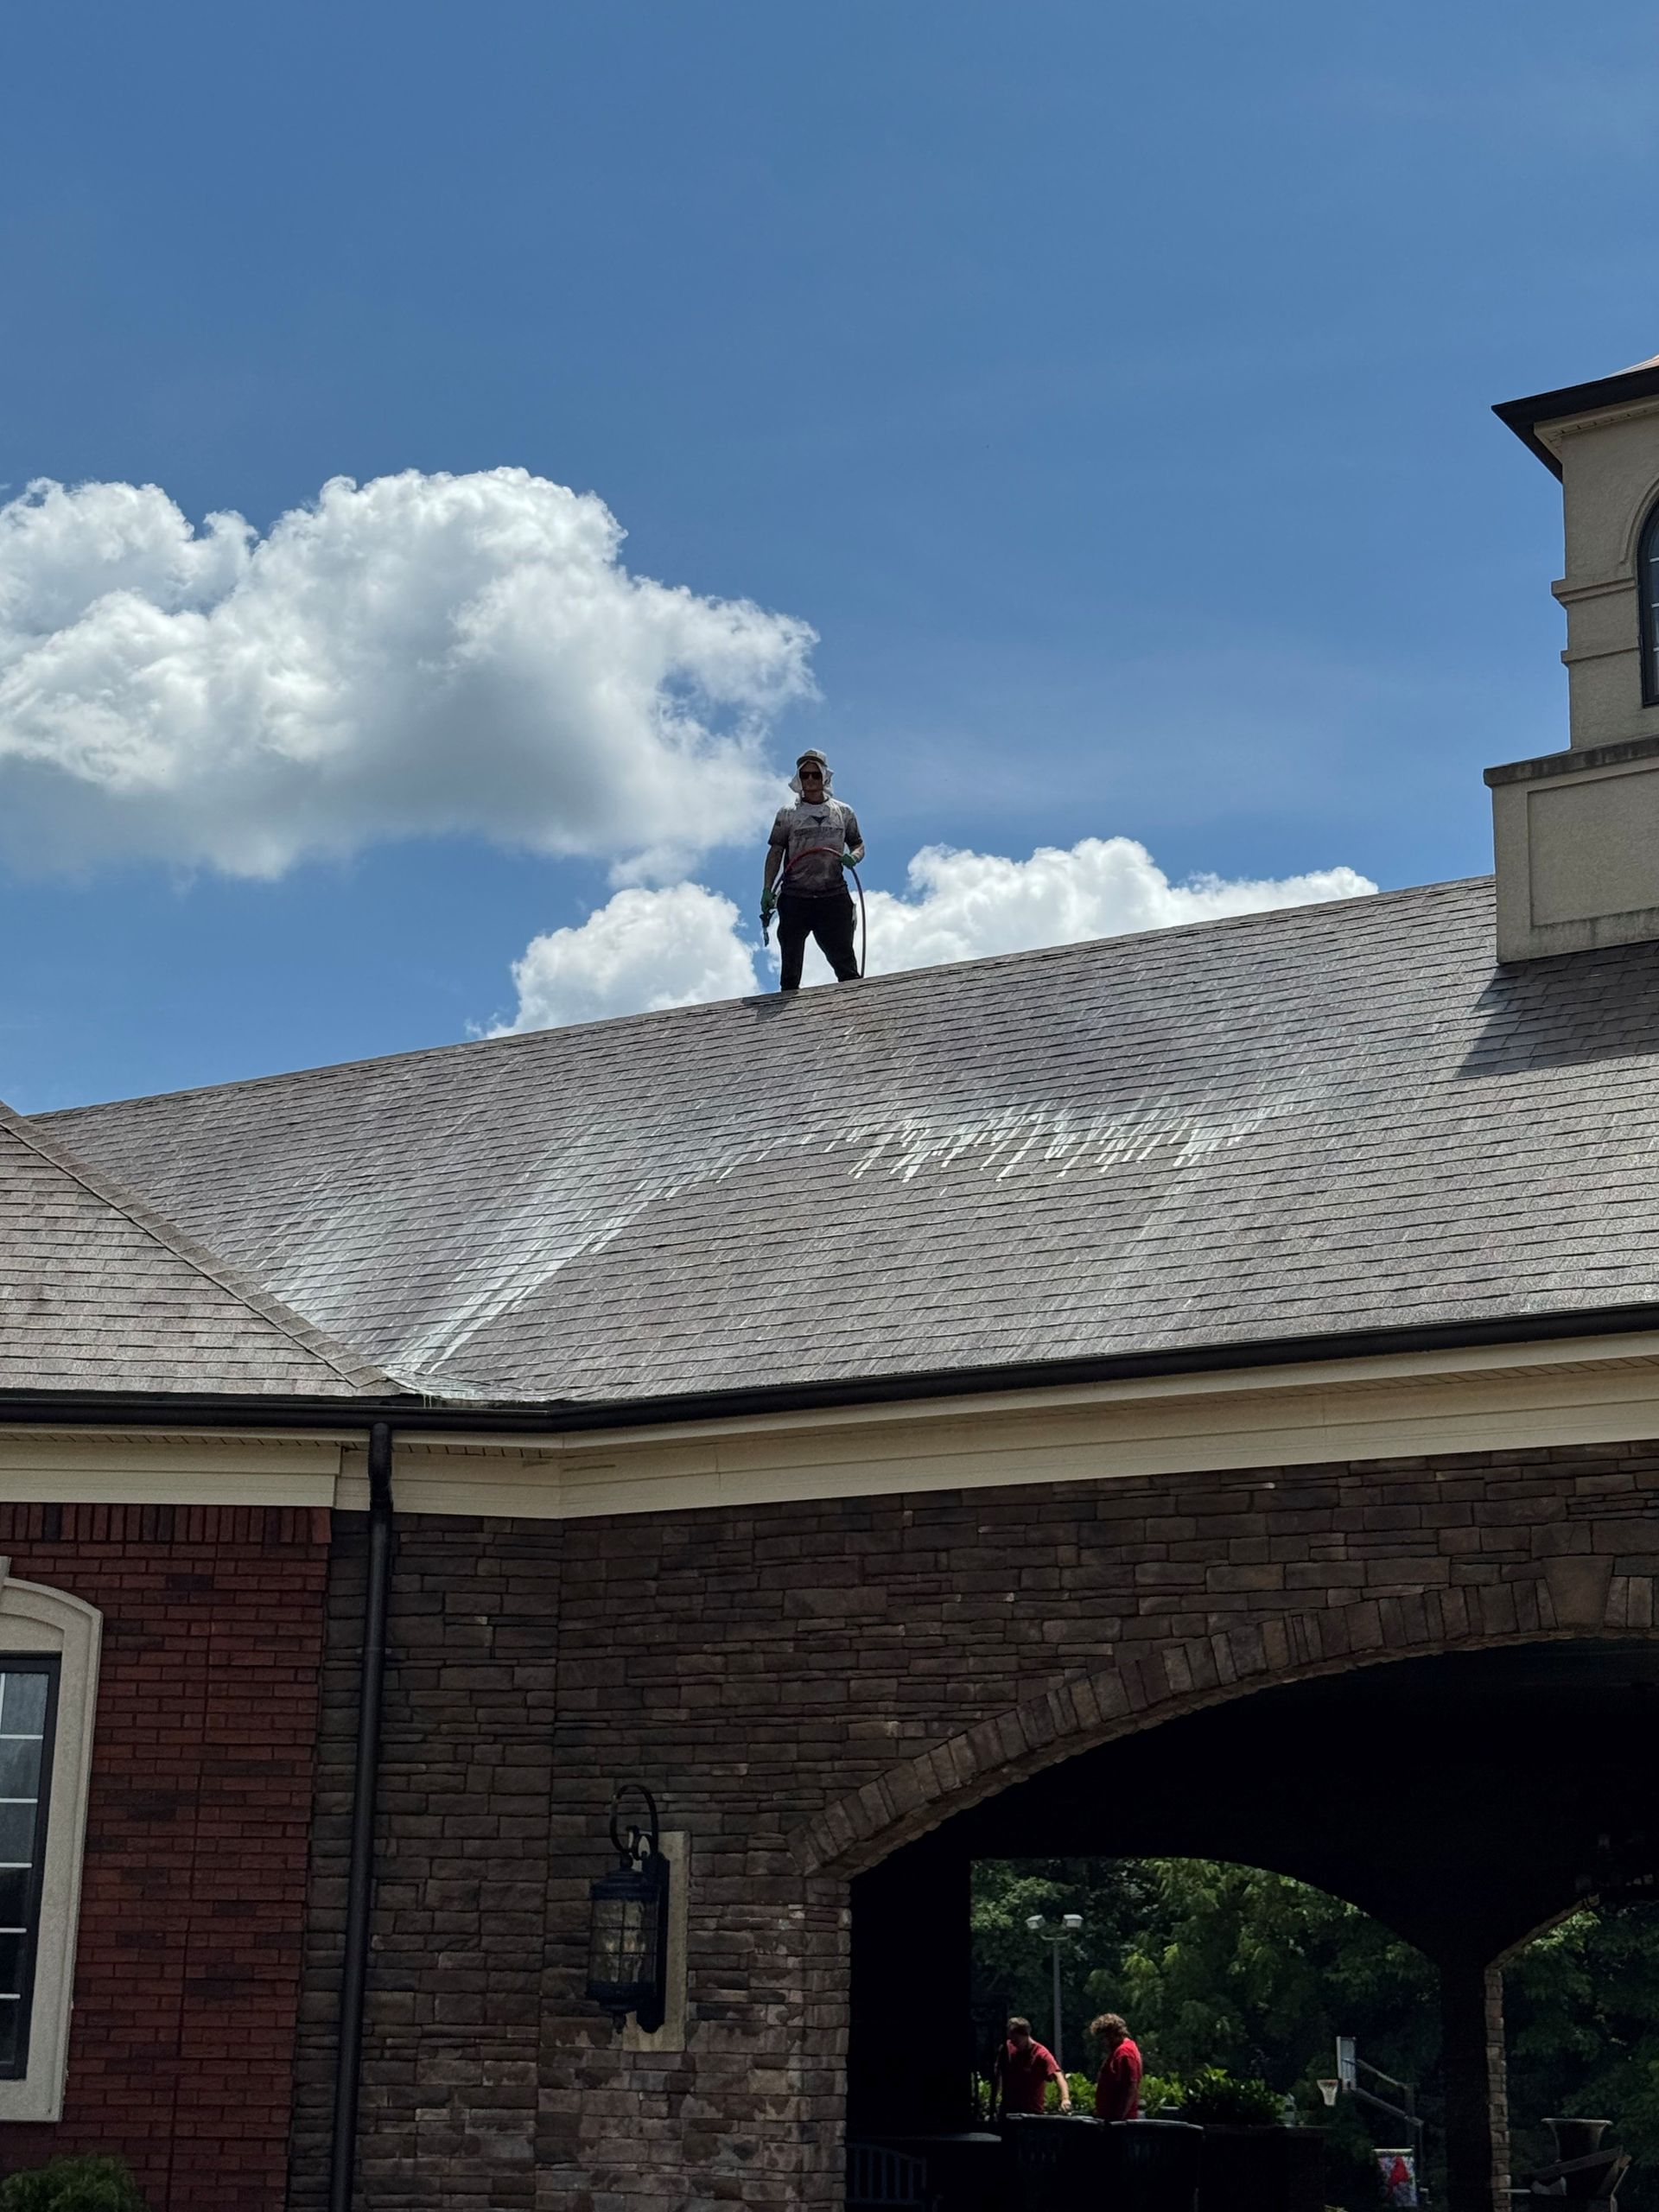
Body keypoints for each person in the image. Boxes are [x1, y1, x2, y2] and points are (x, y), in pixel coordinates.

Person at [761, 749, 865, 991]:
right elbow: (775, 851)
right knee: (790, 970)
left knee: (845, 964)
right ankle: (785, 1018)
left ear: (824, 778)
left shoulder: (844, 812)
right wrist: (767, 889)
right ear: (799, 778)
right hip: (796, 897)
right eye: (805, 776)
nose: (809, 781)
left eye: (814, 775)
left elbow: (858, 843)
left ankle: (856, 1011)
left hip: (833, 896)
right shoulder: (787, 814)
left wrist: (854, 857)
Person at [994, 2015, 1071, 2117]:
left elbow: (1058, 2075)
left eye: (1016, 2040)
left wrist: (1065, 2099)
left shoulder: (1041, 2054)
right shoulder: (1006, 2048)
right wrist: (994, 2099)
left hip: (1031, 2112)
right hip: (1007, 2110)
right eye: (1011, 2039)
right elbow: (998, 2074)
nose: (1013, 2043)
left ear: (1026, 2035)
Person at [1090, 2012, 1142, 2121]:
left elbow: (1131, 2086)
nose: (1102, 2043)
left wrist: (1119, 2118)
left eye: (1103, 2037)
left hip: (1119, 2124)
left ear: (1112, 2033)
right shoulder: (1118, 2051)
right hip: (1110, 2119)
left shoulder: (1125, 2053)